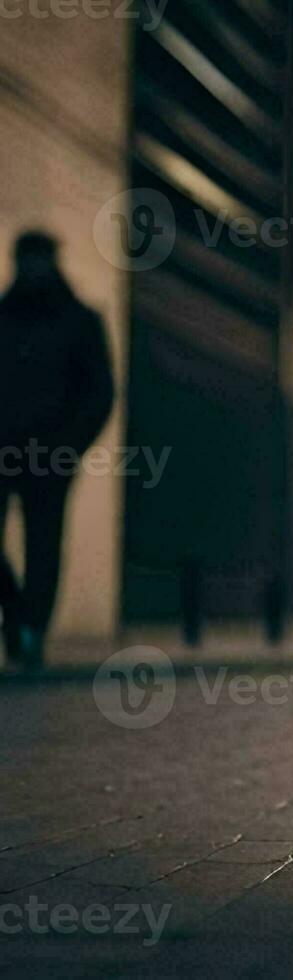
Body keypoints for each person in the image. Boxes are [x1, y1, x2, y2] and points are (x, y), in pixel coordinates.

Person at [0, 232, 114, 669]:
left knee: (43, 547)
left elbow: (99, 393)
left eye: (39, 260)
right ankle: (14, 615)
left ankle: (31, 631)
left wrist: (68, 446)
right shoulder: (2, 318)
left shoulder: (80, 322)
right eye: (25, 260)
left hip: (51, 455)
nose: (32, 269)